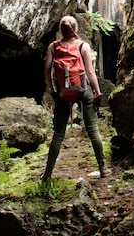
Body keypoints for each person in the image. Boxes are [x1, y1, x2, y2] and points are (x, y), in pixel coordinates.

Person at [42, 15, 112, 180]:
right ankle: (102, 168)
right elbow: (90, 72)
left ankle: (48, 173)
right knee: (92, 129)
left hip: (63, 93)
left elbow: (47, 70)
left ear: (60, 30)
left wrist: (53, 90)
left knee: (58, 134)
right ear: (76, 29)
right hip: (83, 90)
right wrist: (97, 92)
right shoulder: (83, 46)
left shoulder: (53, 46)